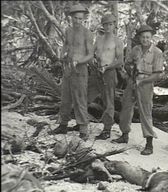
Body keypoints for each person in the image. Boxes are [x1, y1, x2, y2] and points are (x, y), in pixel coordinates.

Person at [112, 25, 164, 156]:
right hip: (132, 81)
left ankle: (149, 144)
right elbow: (128, 63)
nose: (145, 39)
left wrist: (142, 81)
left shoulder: (157, 52)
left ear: (151, 38)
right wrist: (130, 72)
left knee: (145, 112)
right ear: (139, 38)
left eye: (147, 37)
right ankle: (124, 135)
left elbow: (157, 74)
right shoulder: (135, 49)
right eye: (143, 37)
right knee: (126, 108)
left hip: (145, 83)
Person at [49, 4, 94, 141]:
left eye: (80, 19)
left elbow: (90, 54)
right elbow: (66, 46)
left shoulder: (87, 33)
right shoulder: (68, 31)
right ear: (71, 18)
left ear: (84, 19)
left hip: (80, 70)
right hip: (68, 68)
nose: (77, 21)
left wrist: (79, 61)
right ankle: (63, 125)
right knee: (65, 98)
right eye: (75, 18)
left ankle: (83, 129)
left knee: (80, 99)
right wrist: (62, 55)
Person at [94, 14, 124, 140]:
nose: (107, 27)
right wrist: (94, 63)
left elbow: (120, 60)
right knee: (86, 96)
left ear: (114, 25)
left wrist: (107, 67)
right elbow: (91, 53)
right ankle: (81, 124)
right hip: (97, 72)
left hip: (109, 72)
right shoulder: (99, 39)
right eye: (105, 24)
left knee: (108, 101)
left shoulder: (117, 41)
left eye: (110, 24)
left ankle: (107, 129)